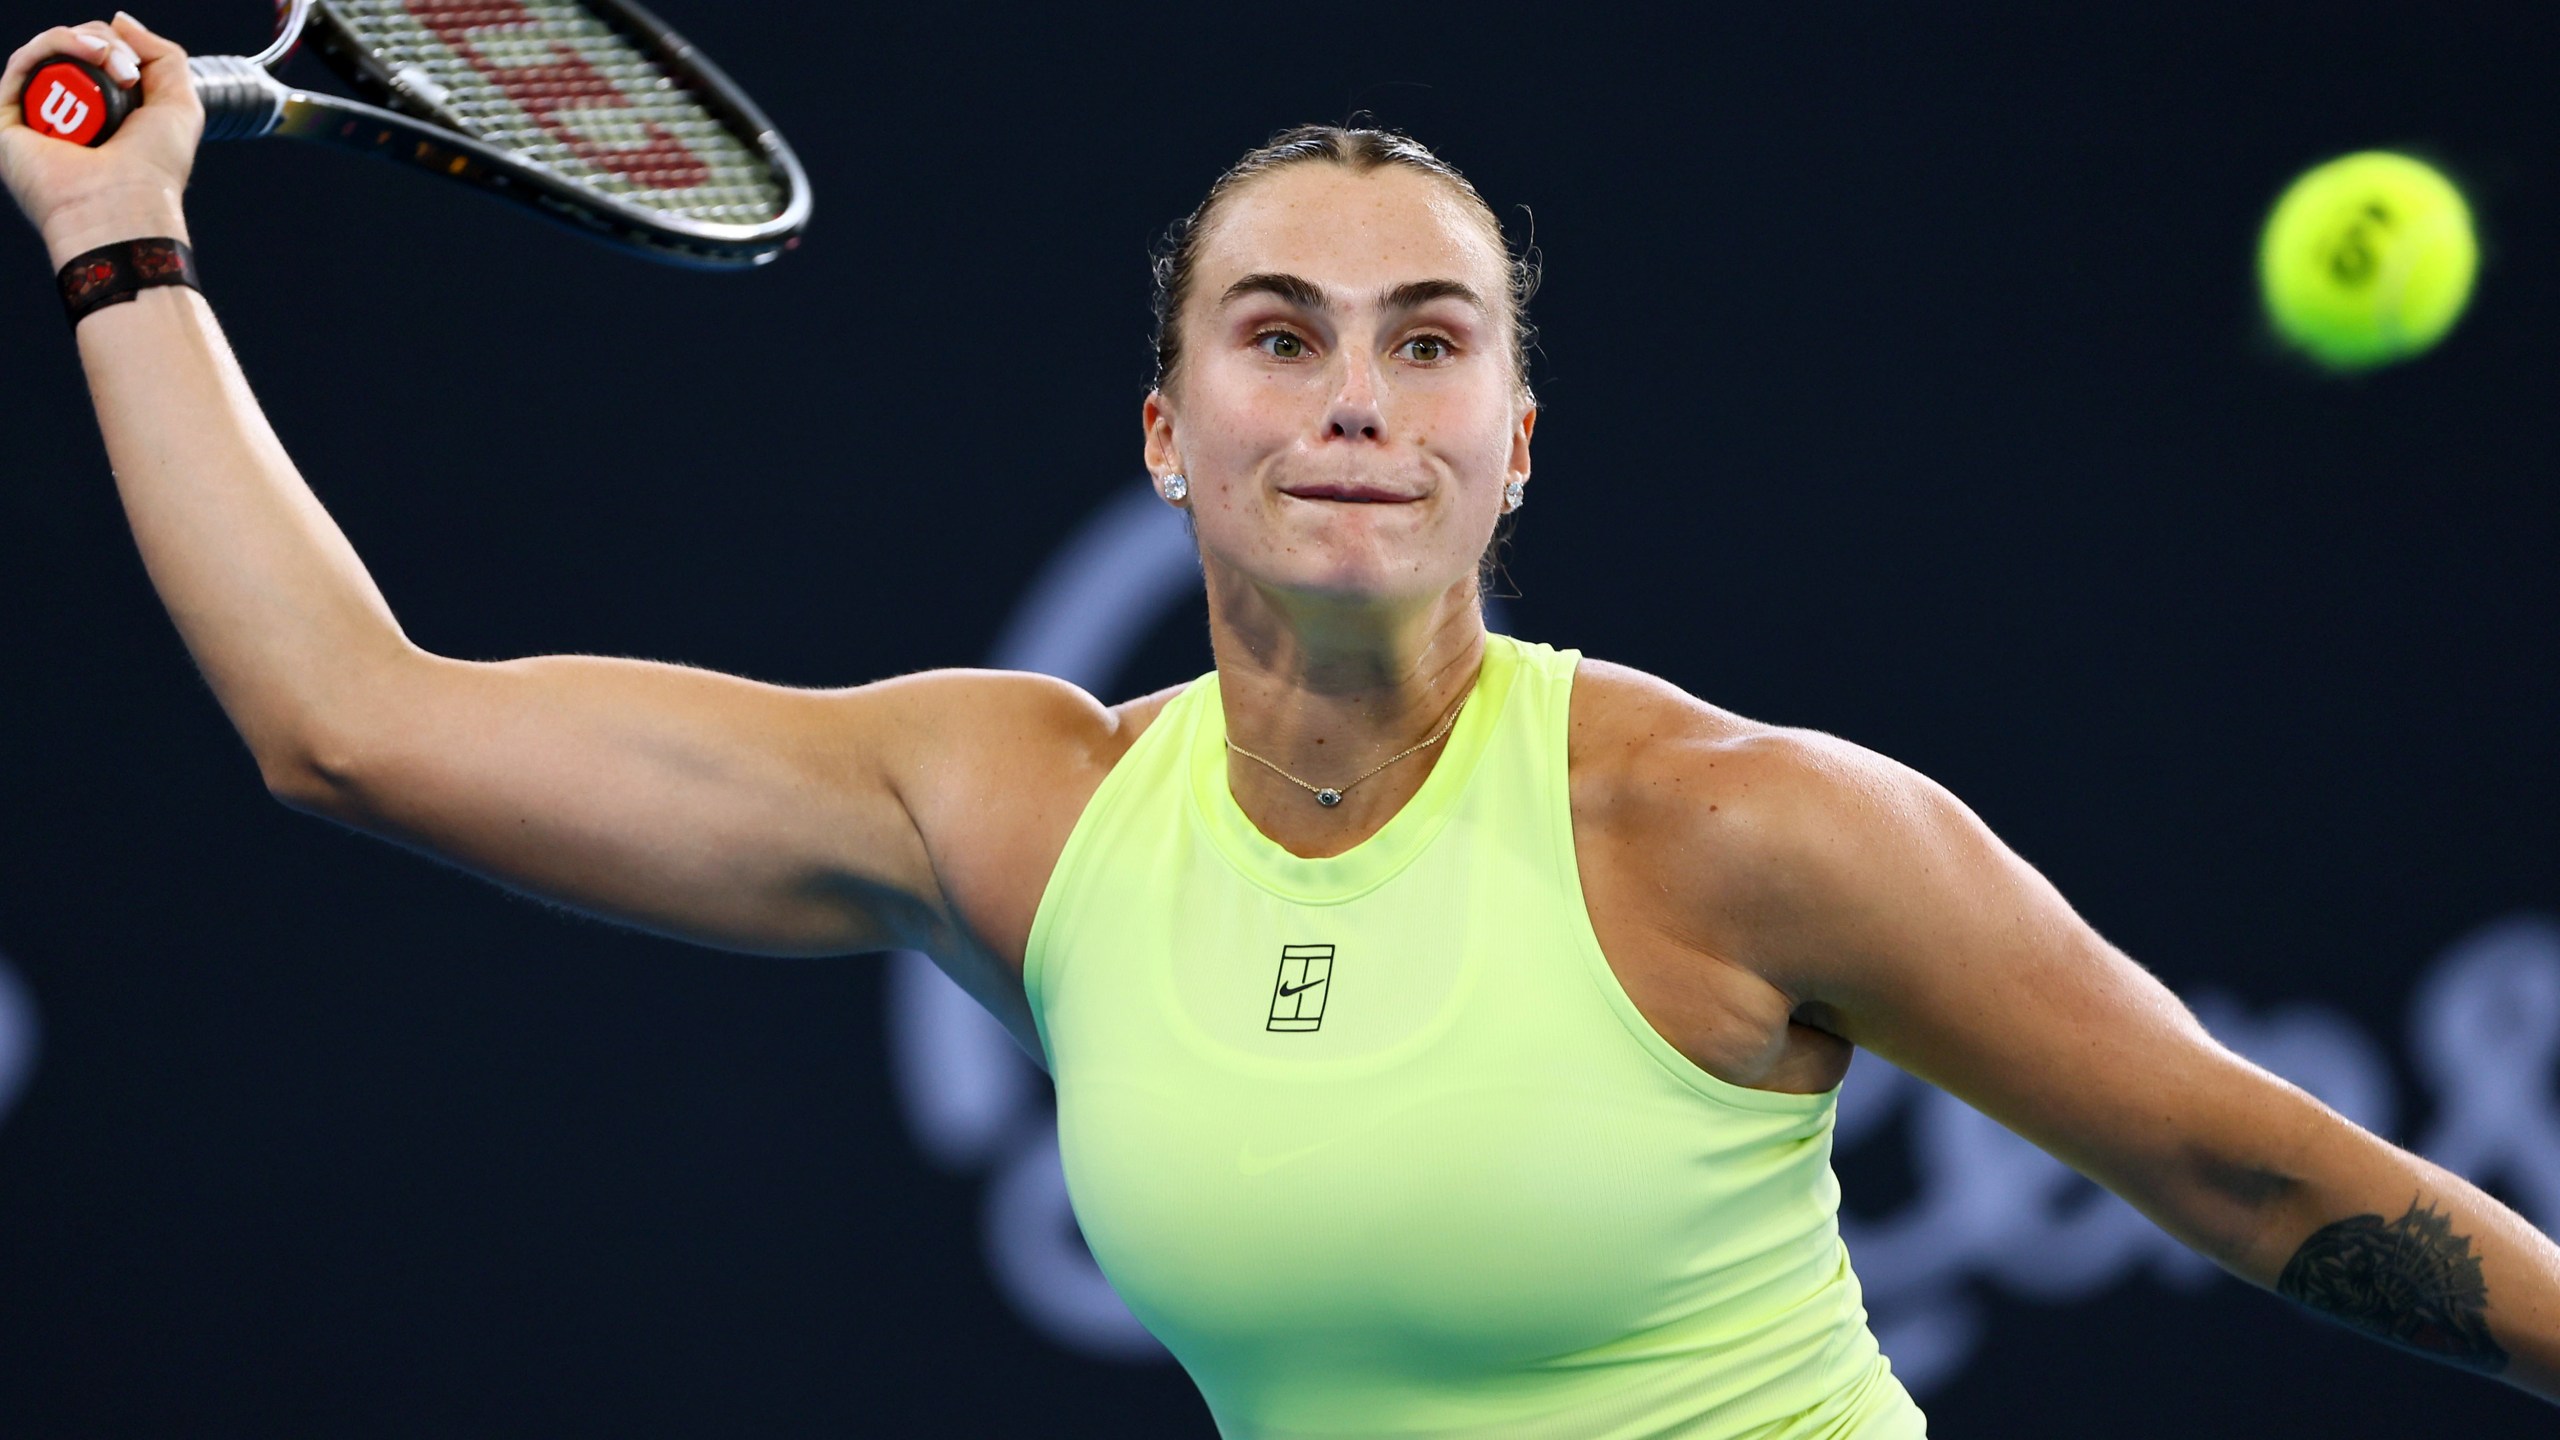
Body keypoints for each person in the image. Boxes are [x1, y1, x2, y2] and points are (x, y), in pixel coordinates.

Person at [7, 15, 2559, 1438]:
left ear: (1512, 444)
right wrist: (124, 243)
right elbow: (345, 720)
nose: (1355, 396)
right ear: (1163, 433)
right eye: (1278, 332)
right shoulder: (1014, 815)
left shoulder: (1735, 829)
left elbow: (2245, 1175)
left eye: (1427, 341)